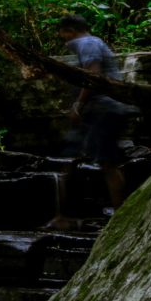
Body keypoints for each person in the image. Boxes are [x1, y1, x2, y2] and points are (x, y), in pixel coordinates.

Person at [54, 12, 134, 214]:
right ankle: (65, 217)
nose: (63, 41)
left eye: (62, 35)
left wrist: (77, 106)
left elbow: (93, 76)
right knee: (72, 159)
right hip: (100, 111)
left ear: (70, 31)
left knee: (107, 162)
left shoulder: (87, 43)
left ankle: (120, 214)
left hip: (105, 110)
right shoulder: (92, 43)